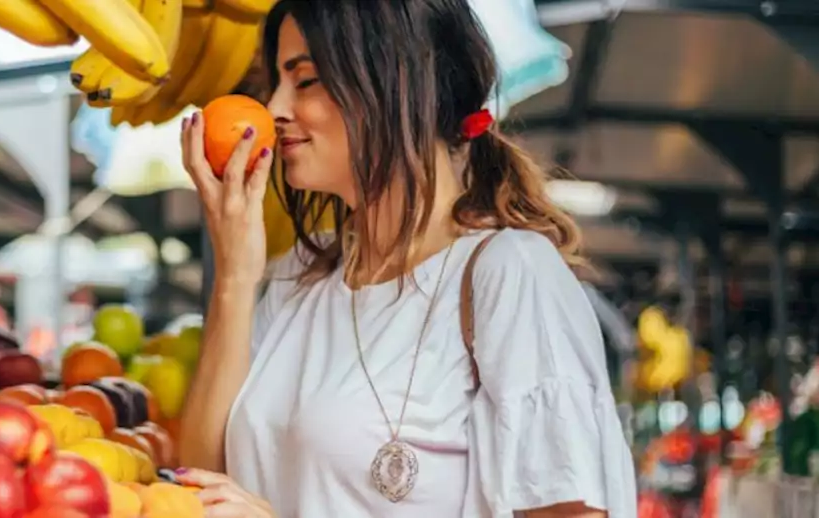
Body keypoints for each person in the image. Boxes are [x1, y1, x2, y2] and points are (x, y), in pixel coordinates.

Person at [173, 1, 638, 517]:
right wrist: (235, 277)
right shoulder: (297, 281)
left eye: (305, 81)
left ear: (396, 82)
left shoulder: (508, 273)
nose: (275, 108)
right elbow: (199, 487)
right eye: (276, 83)